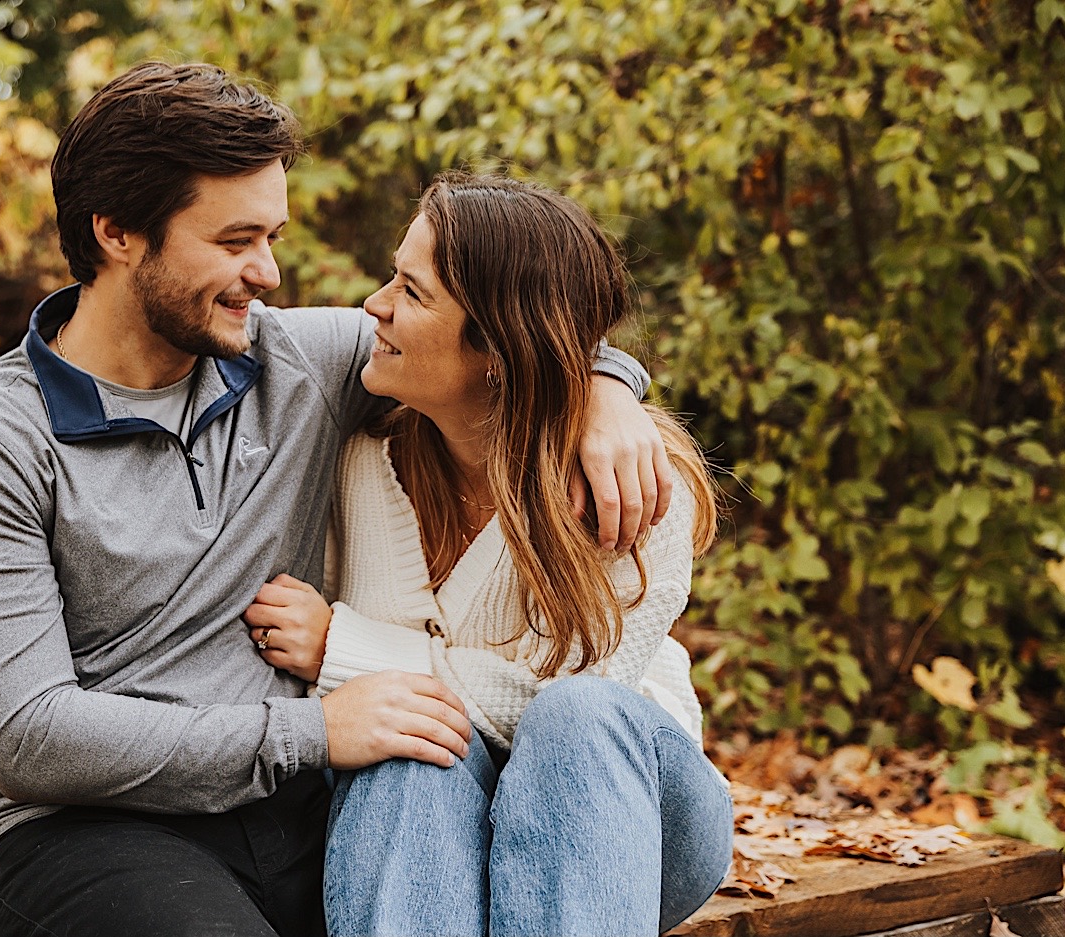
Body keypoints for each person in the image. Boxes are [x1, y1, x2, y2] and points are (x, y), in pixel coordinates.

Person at [0, 63, 673, 937]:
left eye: (272, 235)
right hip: (89, 832)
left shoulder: (299, 361)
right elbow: (30, 737)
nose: (267, 271)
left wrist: (607, 388)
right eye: (235, 240)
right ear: (116, 232)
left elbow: (505, 333)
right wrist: (311, 732)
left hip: (312, 807)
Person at [244, 172, 733, 937]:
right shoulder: (357, 458)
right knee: (403, 743)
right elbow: (345, 716)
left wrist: (345, 645)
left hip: (628, 819)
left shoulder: (630, 483)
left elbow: (558, 702)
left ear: (496, 348)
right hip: (429, 834)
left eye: (411, 291)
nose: (373, 305)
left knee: (576, 714)